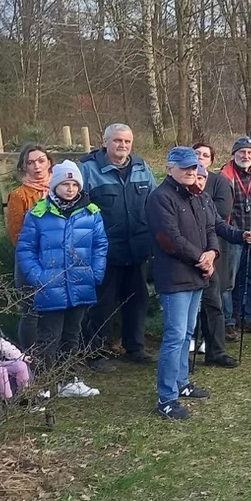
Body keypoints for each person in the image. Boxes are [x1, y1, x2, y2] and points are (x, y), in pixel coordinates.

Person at [16, 160, 107, 397]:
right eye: (65, 184)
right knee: (49, 337)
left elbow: (100, 245)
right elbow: (25, 249)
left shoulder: (91, 213)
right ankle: (44, 384)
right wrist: (38, 276)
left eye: (74, 184)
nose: (70, 189)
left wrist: (95, 273)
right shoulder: (38, 214)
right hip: (50, 286)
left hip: (80, 284)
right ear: (54, 185)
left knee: (72, 333)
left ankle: (67, 379)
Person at [146, 147, 220, 420]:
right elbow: (169, 238)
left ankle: (182, 383)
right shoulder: (160, 198)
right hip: (175, 276)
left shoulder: (197, 196)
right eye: (186, 168)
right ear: (169, 168)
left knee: (187, 333)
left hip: (198, 274)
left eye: (194, 168)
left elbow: (211, 228)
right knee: (175, 337)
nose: (191, 172)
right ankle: (166, 398)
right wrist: (199, 257)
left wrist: (211, 254)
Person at [79, 124, 156, 370]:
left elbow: (154, 204)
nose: (122, 146)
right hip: (104, 252)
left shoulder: (142, 168)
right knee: (102, 304)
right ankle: (94, 352)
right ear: (105, 142)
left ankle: (135, 347)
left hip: (137, 249)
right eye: (117, 141)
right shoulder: (88, 170)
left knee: (137, 300)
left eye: (127, 141)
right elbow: (79, 212)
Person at [191, 147, 242, 368]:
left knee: (214, 307)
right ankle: (183, 359)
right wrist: (200, 257)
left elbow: (218, 226)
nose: (200, 182)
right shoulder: (174, 200)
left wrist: (240, 235)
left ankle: (216, 352)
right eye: (196, 178)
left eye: (203, 178)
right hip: (186, 265)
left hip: (209, 263)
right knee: (188, 314)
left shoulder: (206, 200)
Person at [6, 143, 53, 350]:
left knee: (56, 310)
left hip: (58, 259)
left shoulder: (62, 188)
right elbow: (16, 234)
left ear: (49, 163)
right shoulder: (19, 195)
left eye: (41, 161)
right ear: (24, 167)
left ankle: (55, 356)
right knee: (32, 312)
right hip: (30, 261)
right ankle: (30, 358)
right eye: (31, 162)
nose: (37, 166)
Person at [221, 136, 251, 335]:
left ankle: (247, 318)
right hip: (233, 236)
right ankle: (228, 321)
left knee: (250, 279)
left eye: (249, 152)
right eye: (242, 152)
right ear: (234, 154)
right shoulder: (224, 176)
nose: (246, 156)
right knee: (229, 281)